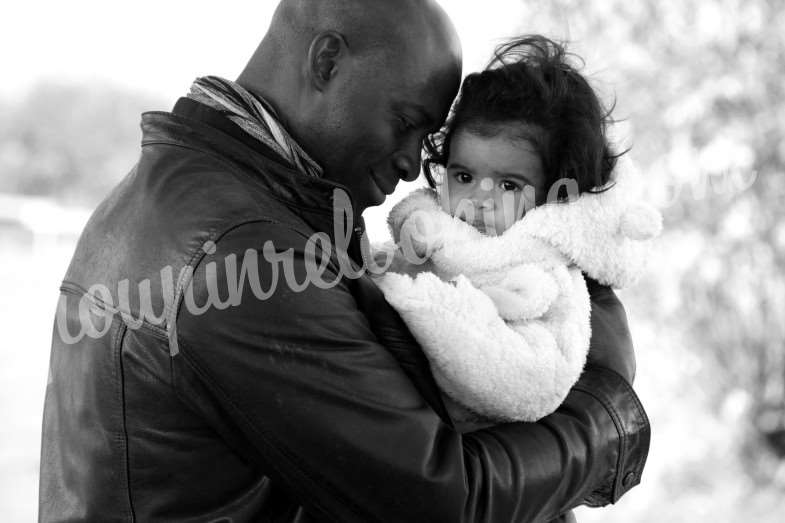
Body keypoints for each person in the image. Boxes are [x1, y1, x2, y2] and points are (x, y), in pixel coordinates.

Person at [39, 2, 650, 522]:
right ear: (327, 61)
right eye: (407, 122)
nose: (415, 164)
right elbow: (444, 498)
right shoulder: (243, 246)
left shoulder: (181, 192)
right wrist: (606, 413)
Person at [373, 36, 662, 431]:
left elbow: (532, 380)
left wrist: (419, 301)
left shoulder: (547, 275)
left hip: (460, 448)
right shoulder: (427, 232)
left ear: (554, 194)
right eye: (463, 176)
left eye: (509, 185)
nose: (478, 199)